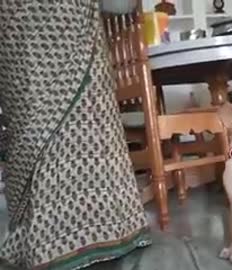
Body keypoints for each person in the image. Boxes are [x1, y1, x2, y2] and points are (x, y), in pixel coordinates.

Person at [0, 1, 150, 269]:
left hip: (18, 38)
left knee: (39, 123)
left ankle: (45, 240)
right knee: (76, 122)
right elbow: (122, 5)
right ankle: (100, 229)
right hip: (48, 37)